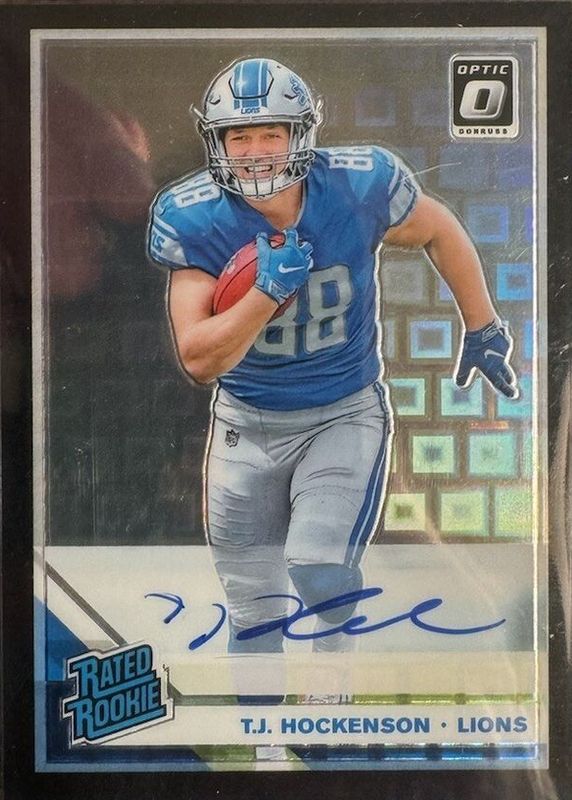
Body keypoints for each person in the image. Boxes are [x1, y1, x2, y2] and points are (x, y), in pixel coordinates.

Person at [147, 57, 518, 665]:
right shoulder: (193, 215)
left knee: (316, 564)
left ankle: (333, 671)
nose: (256, 152)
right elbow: (198, 358)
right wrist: (266, 293)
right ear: (217, 142)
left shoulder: (357, 185)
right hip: (245, 422)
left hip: (341, 412)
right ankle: (261, 725)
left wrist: (482, 325)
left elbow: (438, 227)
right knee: (253, 611)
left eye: (272, 133)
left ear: (302, 134)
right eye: (239, 137)